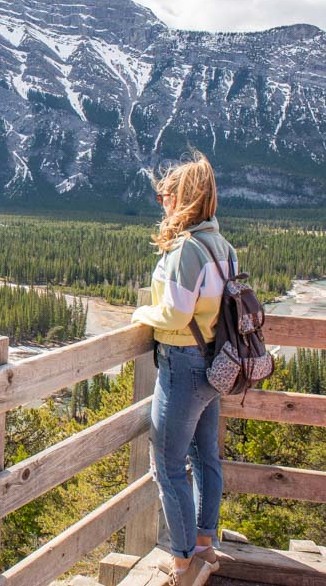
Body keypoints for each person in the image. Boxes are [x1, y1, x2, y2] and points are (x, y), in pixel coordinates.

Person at [130, 150, 237, 586]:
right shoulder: (223, 246)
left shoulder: (186, 250)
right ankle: (204, 546)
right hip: (214, 362)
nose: (163, 203)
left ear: (184, 198)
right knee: (205, 456)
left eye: (165, 195)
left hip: (182, 365)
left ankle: (182, 564)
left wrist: (142, 315)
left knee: (168, 464)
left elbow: (174, 314)